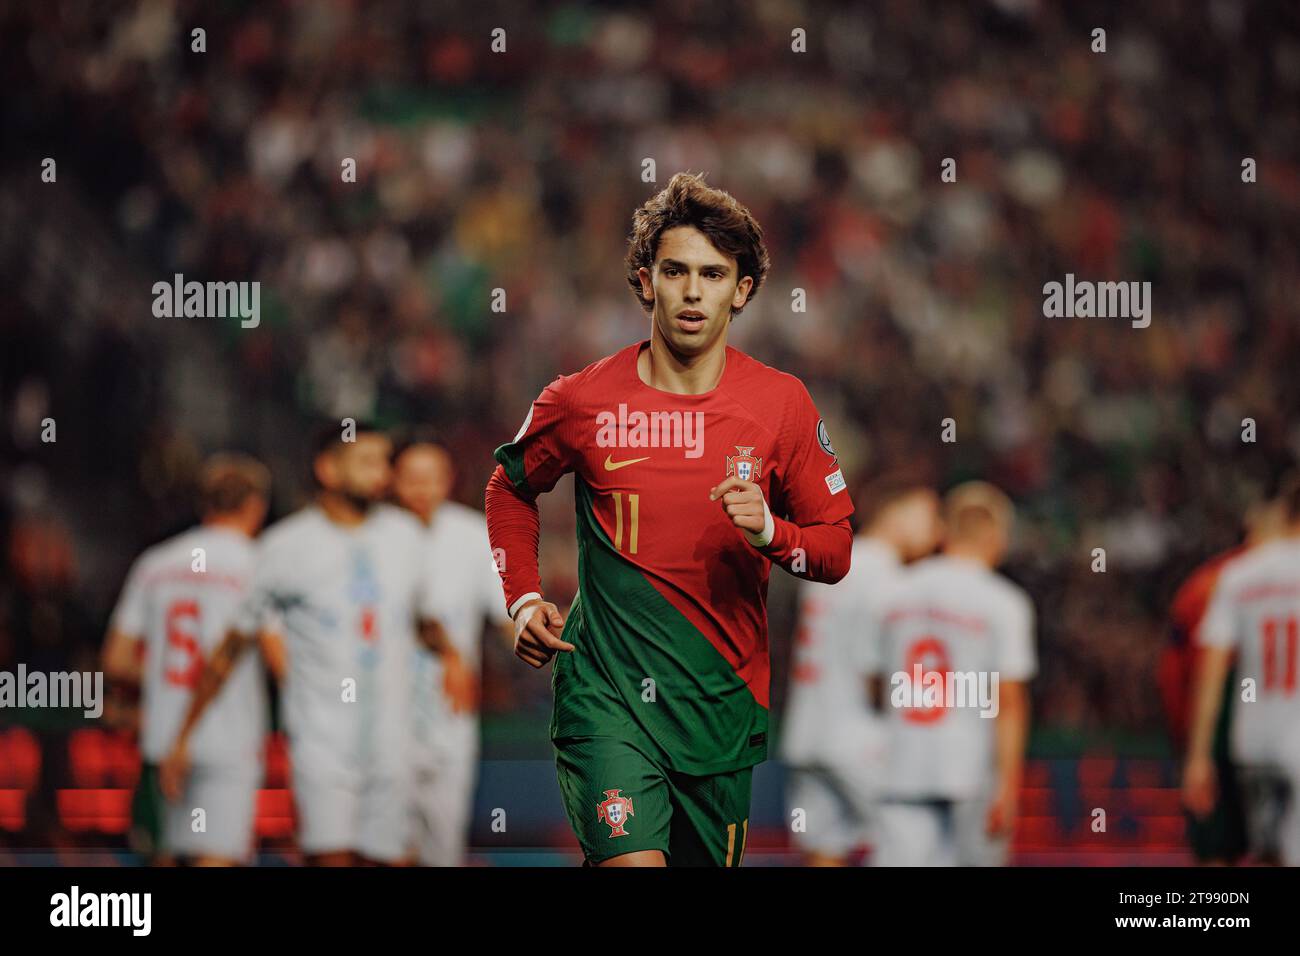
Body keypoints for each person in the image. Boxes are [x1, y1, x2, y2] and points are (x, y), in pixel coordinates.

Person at [484, 172, 854, 867]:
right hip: (606, 696)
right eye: (675, 270)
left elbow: (835, 551)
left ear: (741, 290)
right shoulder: (580, 399)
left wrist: (772, 534)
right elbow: (508, 488)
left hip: (718, 706)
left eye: (713, 274)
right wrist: (524, 598)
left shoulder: (782, 404)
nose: (691, 291)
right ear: (645, 280)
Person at [161, 424, 470, 866]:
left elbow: (423, 619)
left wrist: (452, 655)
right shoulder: (285, 547)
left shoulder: (405, 538)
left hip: (393, 743)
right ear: (327, 468)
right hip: (322, 746)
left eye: (383, 462)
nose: (379, 474)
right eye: (365, 461)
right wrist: (184, 736)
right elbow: (232, 647)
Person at [103, 453, 272, 866]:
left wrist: (165, 677)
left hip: (163, 734)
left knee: (168, 855)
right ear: (256, 505)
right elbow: (278, 656)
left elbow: (116, 659)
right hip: (230, 734)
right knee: (217, 857)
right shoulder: (261, 566)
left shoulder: (156, 562)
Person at [867, 482, 1035, 867]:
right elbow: (1008, 703)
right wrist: (1008, 789)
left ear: (945, 532)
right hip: (970, 772)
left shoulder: (893, 593)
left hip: (900, 766)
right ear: (998, 536)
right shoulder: (1005, 604)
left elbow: (874, 682)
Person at [781, 481, 940, 865]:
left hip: (807, 731)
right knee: (916, 846)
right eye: (930, 516)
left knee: (824, 848)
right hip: (858, 736)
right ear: (897, 510)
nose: (937, 532)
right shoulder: (888, 577)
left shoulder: (835, 560)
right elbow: (881, 672)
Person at [391, 435, 511, 867]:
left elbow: (507, 615)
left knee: (444, 846)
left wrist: (544, 640)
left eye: (431, 478)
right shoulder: (377, 537)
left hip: (450, 713)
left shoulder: (472, 535)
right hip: (384, 715)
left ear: (449, 480)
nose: (422, 489)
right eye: (411, 478)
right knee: (388, 847)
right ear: (393, 480)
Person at [1183, 471, 1300, 866]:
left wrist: (1198, 754)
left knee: (1267, 855)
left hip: (1253, 740)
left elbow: (1209, 668)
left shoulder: (1234, 576)